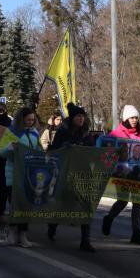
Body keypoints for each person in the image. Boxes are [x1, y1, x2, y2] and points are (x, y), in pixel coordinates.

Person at [102, 105, 140, 246]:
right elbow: (106, 148)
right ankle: (109, 218)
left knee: (138, 202)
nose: (134, 120)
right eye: (132, 117)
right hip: (123, 173)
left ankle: (136, 233)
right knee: (123, 201)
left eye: (136, 118)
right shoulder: (116, 134)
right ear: (126, 118)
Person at [47, 104, 95, 251]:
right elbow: (53, 150)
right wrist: (64, 147)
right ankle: (52, 225)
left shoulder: (86, 133)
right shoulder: (63, 131)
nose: (81, 119)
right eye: (78, 116)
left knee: (86, 205)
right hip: (66, 172)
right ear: (72, 118)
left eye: (82, 116)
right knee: (64, 203)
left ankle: (85, 240)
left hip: (83, 172)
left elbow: (92, 151)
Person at [0, 107, 41, 248]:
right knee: (15, 205)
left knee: (26, 205)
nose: (31, 122)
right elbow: (1, 152)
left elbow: (39, 150)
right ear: (21, 119)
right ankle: (11, 230)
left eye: (33, 119)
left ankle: (23, 234)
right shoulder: (11, 132)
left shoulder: (35, 133)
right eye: (28, 119)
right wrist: (8, 148)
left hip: (29, 175)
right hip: (14, 174)